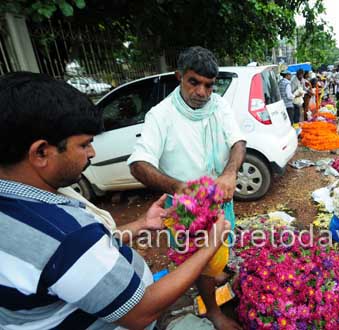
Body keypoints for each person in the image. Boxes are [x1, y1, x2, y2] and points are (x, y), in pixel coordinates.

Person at [0, 72, 230, 330]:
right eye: (84, 144)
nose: (92, 152)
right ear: (42, 152)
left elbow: (81, 255)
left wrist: (142, 224)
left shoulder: (17, 206)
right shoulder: (66, 236)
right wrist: (210, 244)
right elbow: (141, 311)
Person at [127, 46, 244, 330]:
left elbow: (238, 142)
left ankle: (213, 274)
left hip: (220, 200)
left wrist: (229, 174)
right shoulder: (161, 115)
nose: (202, 92)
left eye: (208, 85)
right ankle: (213, 312)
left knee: (217, 253)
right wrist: (179, 187)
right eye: (194, 82)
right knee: (196, 260)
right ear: (179, 77)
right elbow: (138, 164)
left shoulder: (219, 105)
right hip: (184, 209)